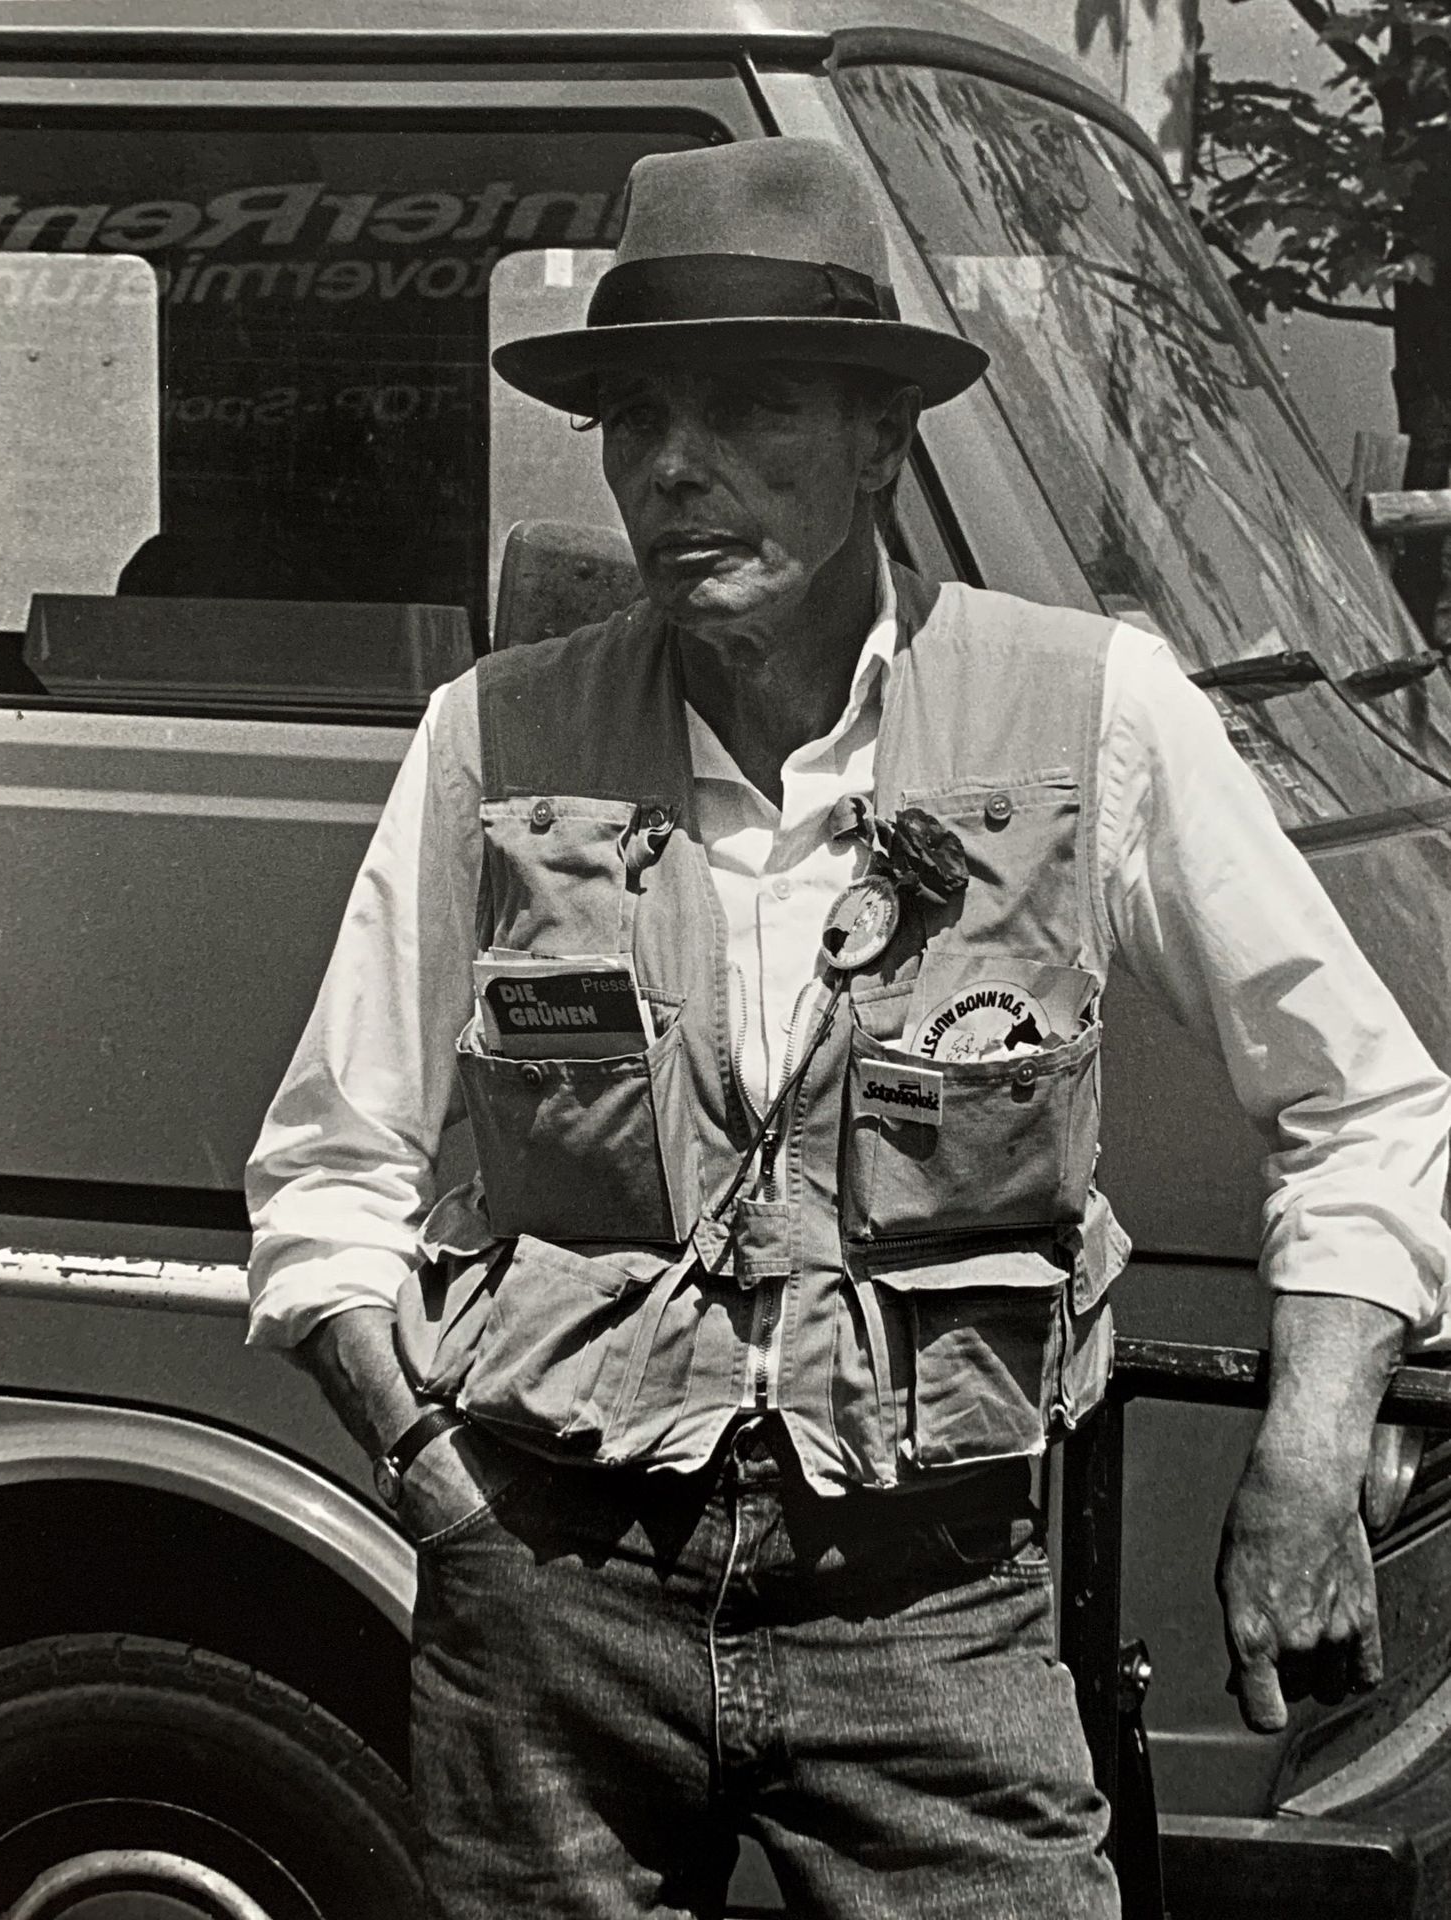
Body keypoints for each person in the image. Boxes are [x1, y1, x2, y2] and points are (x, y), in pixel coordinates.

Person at [245, 139, 1451, 1919]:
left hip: (926, 1614)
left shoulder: (1088, 710)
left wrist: (1301, 1453)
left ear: (882, 442)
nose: (674, 468)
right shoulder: (492, 737)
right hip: (552, 1615)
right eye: (636, 416)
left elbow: (1362, 1104)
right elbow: (328, 1170)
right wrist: (438, 1494)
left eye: (748, 412)